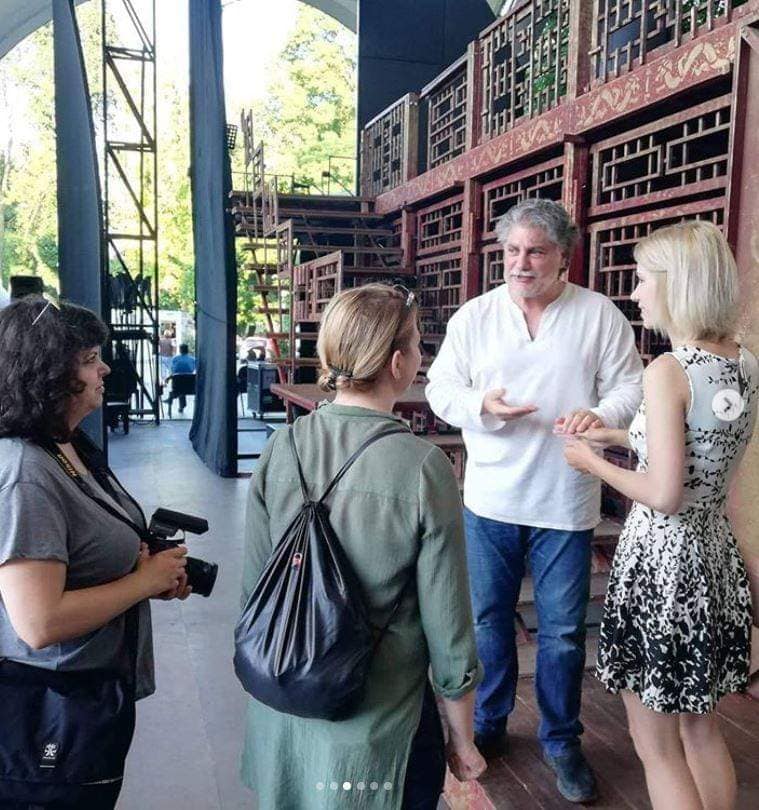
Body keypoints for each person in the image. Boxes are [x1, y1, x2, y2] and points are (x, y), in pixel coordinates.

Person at [425, 198, 643, 803]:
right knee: (489, 622)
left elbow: (631, 384)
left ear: (562, 258)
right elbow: (441, 388)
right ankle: (490, 725)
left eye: (535, 252)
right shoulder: (476, 316)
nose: (521, 263)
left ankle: (561, 740)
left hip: (566, 499)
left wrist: (599, 413)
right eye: (512, 251)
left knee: (565, 632)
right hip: (490, 496)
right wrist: (480, 407)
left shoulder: (599, 315)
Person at [240, 284, 486, 809]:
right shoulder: (423, 467)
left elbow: (254, 588)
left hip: (283, 711)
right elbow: (449, 625)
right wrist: (462, 738)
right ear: (398, 362)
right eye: (419, 344)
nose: (422, 356)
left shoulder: (280, 447)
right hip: (379, 728)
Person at [563, 221, 758, 810]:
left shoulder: (667, 371)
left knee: (655, 743)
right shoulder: (744, 362)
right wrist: (616, 432)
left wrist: (590, 462)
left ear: (678, 285)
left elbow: (665, 492)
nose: (637, 292)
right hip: (713, 559)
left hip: (662, 566)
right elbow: (698, 443)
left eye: (645, 280)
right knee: (700, 726)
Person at [0, 296, 190, 810]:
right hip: (52, 705)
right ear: (48, 372)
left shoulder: (68, 446)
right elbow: (38, 622)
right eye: (88, 360)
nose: (104, 367)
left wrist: (144, 567)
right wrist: (143, 582)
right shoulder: (26, 473)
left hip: (94, 691)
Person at [165, 343, 196, 413]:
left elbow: (172, 370)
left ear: (180, 350)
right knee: (184, 382)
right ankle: (181, 406)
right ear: (187, 350)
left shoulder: (175, 359)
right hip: (190, 387)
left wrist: (168, 378)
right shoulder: (193, 360)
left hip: (177, 386)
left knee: (178, 380)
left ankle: (172, 398)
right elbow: (195, 369)